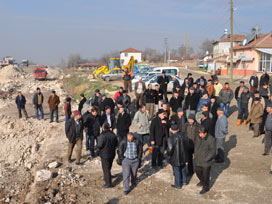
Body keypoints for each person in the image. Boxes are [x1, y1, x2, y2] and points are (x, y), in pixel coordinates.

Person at [194, 127, 216, 194]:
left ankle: (206, 187)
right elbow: (196, 146)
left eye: (201, 133)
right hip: (198, 159)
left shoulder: (211, 139)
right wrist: (195, 154)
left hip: (206, 162)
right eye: (199, 133)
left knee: (206, 175)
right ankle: (202, 181)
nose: (200, 135)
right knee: (198, 172)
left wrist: (206, 158)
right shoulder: (198, 138)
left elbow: (213, 151)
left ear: (205, 133)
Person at [97, 122, 118, 188]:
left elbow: (99, 145)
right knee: (109, 167)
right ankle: (108, 177)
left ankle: (108, 183)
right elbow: (116, 144)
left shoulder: (102, 135)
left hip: (104, 154)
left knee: (106, 169)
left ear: (103, 128)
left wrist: (98, 150)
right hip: (112, 153)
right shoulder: (113, 135)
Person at [167, 124, 188, 189]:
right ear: (178, 129)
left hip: (175, 157)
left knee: (176, 170)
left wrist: (168, 155)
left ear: (172, 130)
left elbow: (170, 149)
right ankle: (184, 181)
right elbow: (187, 144)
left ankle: (178, 185)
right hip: (183, 155)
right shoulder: (184, 135)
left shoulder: (171, 138)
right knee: (183, 168)